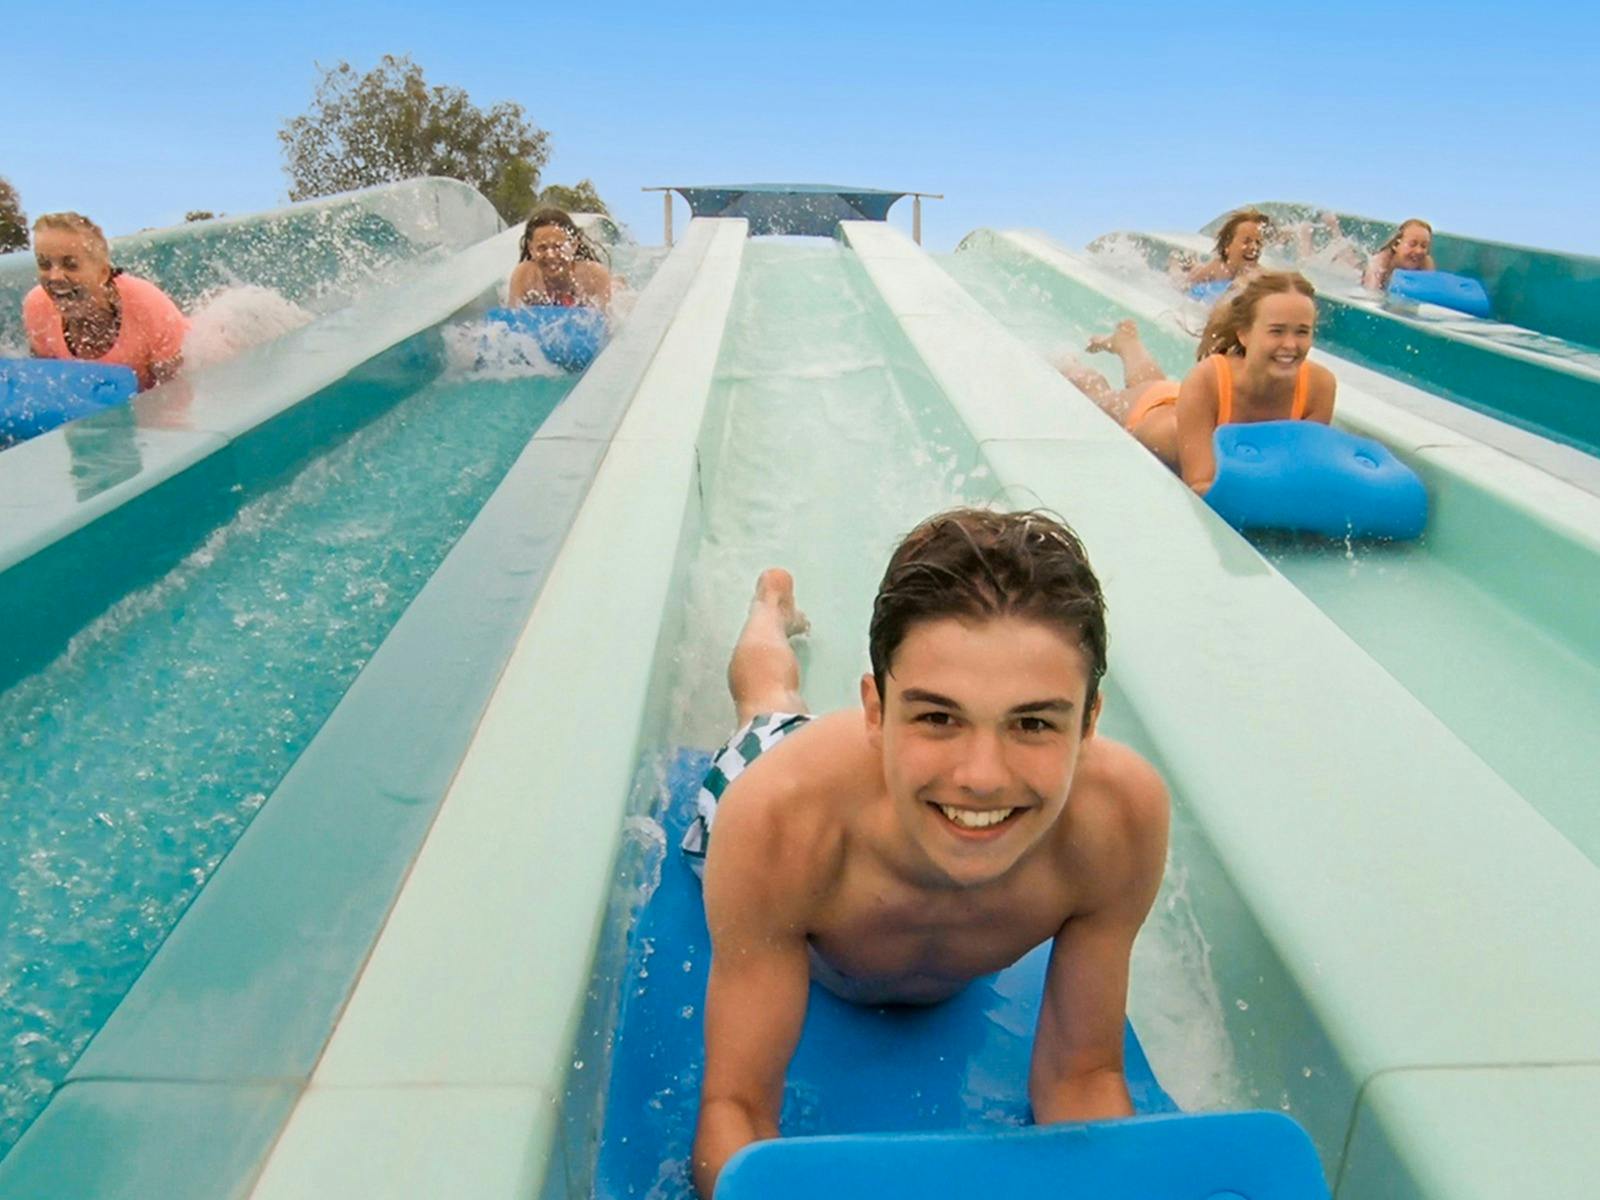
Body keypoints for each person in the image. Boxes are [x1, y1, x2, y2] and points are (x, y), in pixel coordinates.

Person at [687, 509, 1170, 1198]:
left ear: (1089, 721)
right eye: (938, 717)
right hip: (774, 765)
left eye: (1033, 722)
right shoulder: (779, 823)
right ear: (875, 710)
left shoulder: (1118, 821)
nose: (982, 776)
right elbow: (735, 1109)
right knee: (768, 701)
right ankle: (770, 610)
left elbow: (1081, 1078)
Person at [1060, 272, 1335, 492]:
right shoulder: (1207, 378)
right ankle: (1071, 364)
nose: (1290, 344)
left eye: (1302, 332)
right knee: (1099, 394)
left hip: (1186, 405)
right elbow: (1202, 485)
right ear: (1244, 334)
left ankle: (1127, 342)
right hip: (1149, 416)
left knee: (1154, 381)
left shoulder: (1319, 386)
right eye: (1276, 331)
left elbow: (1301, 467)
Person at [24, 212, 188, 390]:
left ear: (103, 273)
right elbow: (46, 385)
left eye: (70, 265)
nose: (54, 277)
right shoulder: (37, 306)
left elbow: (176, 392)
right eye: (44, 264)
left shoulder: (149, 308)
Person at [508, 208, 612, 309]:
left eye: (558, 247)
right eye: (542, 248)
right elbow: (513, 316)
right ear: (531, 249)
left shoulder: (594, 276)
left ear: (574, 245)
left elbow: (609, 318)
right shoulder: (524, 277)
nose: (550, 255)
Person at [1173, 207, 1266, 287]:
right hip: (1197, 271)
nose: (1254, 247)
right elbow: (1185, 286)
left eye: (1258, 242)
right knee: (1185, 271)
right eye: (1246, 241)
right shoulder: (1216, 268)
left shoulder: (1260, 274)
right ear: (1227, 245)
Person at [1361, 218, 1435, 290]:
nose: (1419, 251)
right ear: (1396, 245)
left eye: (1424, 246)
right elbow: (1370, 293)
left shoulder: (1425, 263)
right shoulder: (1380, 262)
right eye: (1412, 244)